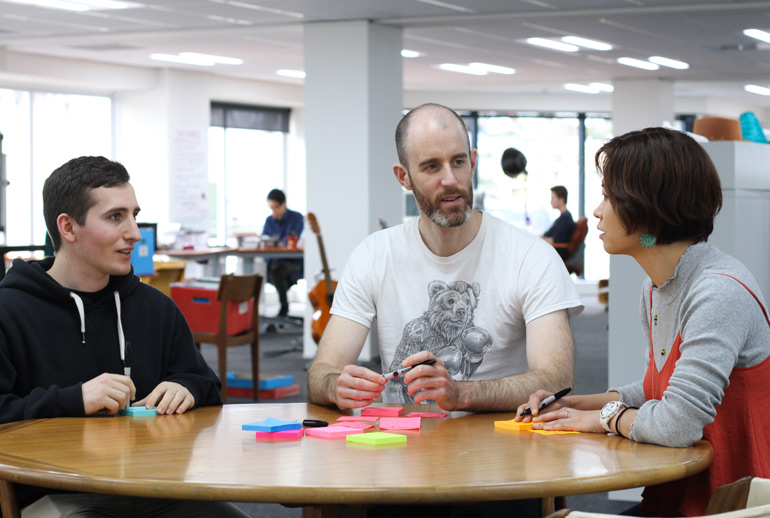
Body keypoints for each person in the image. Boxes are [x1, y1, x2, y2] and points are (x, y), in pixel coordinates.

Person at [518, 127, 770, 517]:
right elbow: (660, 389)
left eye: (608, 196)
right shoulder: (656, 288)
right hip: (678, 494)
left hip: (727, 505)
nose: (598, 212)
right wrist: (573, 406)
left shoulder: (719, 292)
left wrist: (600, 419)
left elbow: (677, 424)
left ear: (648, 208)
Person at [0, 156, 248, 517]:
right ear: (68, 228)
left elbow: (207, 386)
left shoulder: (156, 307)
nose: (134, 232)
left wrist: (188, 389)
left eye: (134, 214)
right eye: (116, 217)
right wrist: (74, 400)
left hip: (157, 486)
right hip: (55, 490)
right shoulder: (9, 311)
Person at [307, 103, 583, 415]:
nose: (450, 180)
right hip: (405, 450)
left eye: (459, 162)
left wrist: (461, 394)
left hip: (500, 452)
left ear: (473, 162)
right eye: (431, 167)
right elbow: (321, 372)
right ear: (404, 177)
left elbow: (557, 378)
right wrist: (335, 385)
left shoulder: (531, 256)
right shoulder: (374, 255)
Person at [263, 188, 304, 317]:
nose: (273, 211)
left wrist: (281, 243)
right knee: (260, 272)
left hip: (293, 262)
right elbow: (264, 238)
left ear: (283, 204)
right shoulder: (269, 221)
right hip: (274, 261)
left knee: (277, 272)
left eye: (275, 207)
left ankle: (284, 308)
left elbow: (298, 241)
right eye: (271, 208)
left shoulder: (296, 218)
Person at [541, 185, 575, 257]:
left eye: (553, 198)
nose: (551, 201)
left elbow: (555, 240)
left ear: (561, 200)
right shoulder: (562, 218)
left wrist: (538, 239)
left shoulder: (565, 218)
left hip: (555, 255)